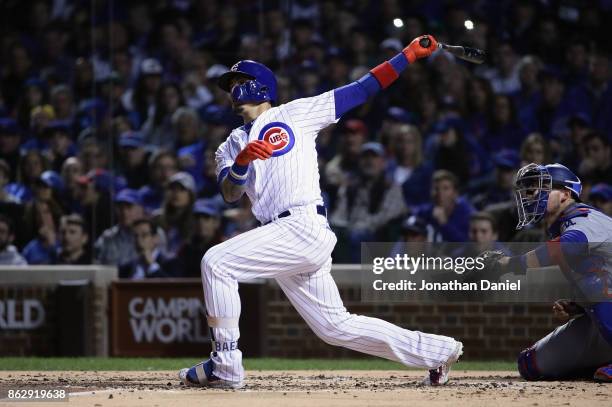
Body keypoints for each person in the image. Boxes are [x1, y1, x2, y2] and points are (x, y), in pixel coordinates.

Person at [179, 36, 463, 389]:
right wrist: (241, 162)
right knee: (335, 327)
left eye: (237, 83)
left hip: (301, 224)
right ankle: (438, 351)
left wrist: (406, 56)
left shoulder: (295, 113)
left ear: (258, 86)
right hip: (281, 235)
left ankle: (225, 364)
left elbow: (362, 89)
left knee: (216, 263)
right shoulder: (228, 146)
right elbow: (229, 194)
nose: (231, 91)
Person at [479, 163, 612, 382]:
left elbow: (566, 247)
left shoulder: (586, 218)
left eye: (542, 188)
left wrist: (508, 264)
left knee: (595, 284)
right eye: (531, 188)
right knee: (530, 365)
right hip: (599, 319)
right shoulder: (564, 226)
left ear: (565, 194)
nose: (533, 194)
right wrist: (579, 305)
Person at [416, 170, 474, 242]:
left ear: (455, 193)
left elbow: (466, 244)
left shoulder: (467, 214)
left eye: (445, 188)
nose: (440, 193)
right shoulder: (424, 213)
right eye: (436, 189)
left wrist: (444, 224)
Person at [173, 199, 223, 277]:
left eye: (206, 218)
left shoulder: (224, 248)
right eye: (197, 218)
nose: (200, 222)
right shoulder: (186, 249)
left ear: (216, 222)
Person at [94, 188, 144, 266]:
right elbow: (96, 265)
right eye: (120, 207)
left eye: (129, 207)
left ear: (140, 209)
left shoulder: (153, 234)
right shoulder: (107, 237)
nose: (124, 212)